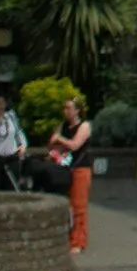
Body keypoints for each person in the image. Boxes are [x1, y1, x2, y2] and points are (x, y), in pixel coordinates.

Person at [48, 95, 94, 252]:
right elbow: (53, 145)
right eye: (64, 108)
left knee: (78, 205)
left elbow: (75, 145)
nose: (65, 111)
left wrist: (59, 139)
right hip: (65, 167)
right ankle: (66, 237)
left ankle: (78, 242)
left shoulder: (84, 126)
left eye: (68, 108)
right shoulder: (63, 126)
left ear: (77, 110)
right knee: (65, 204)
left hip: (81, 167)